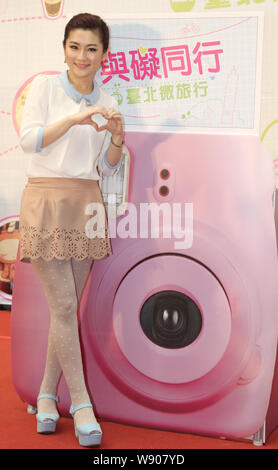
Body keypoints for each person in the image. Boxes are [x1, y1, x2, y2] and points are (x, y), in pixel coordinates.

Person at [18, 12, 124, 447]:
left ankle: (47, 397)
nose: (82, 56)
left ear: (104, 54)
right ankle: (80, 404)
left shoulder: (108, 98)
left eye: (92, 49)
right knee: (63, 307)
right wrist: (76, 121)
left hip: (86, 202)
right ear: (64, 48)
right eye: (74, 47)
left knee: (66, 312)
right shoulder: (44, 87)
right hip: (45, 200)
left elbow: (107, 165)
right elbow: (29, 140)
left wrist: (116, 136)